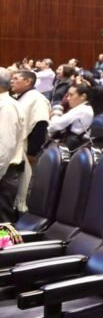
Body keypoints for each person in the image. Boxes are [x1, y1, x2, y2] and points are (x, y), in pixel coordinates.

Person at [10, 70, 50, 213]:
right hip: (16, 150)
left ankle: (11, 233)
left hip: (27, 151)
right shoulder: (19, 97)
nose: (12, 81)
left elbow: (40, 125)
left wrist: (32, 152)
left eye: (15, 78)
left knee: (20, 195)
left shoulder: (37, 99)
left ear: (28, 81)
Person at [0, 70, 26, 222]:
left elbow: (4, 147)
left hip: (4, 174)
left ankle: (6, 247)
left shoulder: (7, 107)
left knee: (2, 225)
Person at [48, 83, 94, 148]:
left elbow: (55, 125)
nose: (68, 98)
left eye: (71, 95)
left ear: (83, 96)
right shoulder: (84, 108)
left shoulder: (82, 110)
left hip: (68, 146)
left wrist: (55, 113)